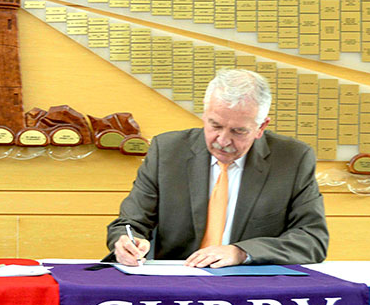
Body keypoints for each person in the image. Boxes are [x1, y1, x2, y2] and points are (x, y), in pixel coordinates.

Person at [107, 69, 328, 268]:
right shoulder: (167, 151)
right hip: (177, 284)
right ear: (204, 115)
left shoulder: (293, 158)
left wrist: (242, 252)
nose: (222, 140)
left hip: (254, 288)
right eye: (215, 125)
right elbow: (130, 222)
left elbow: (312, 239)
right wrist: (128, 241)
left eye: (238, 131)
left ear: (261, 127)